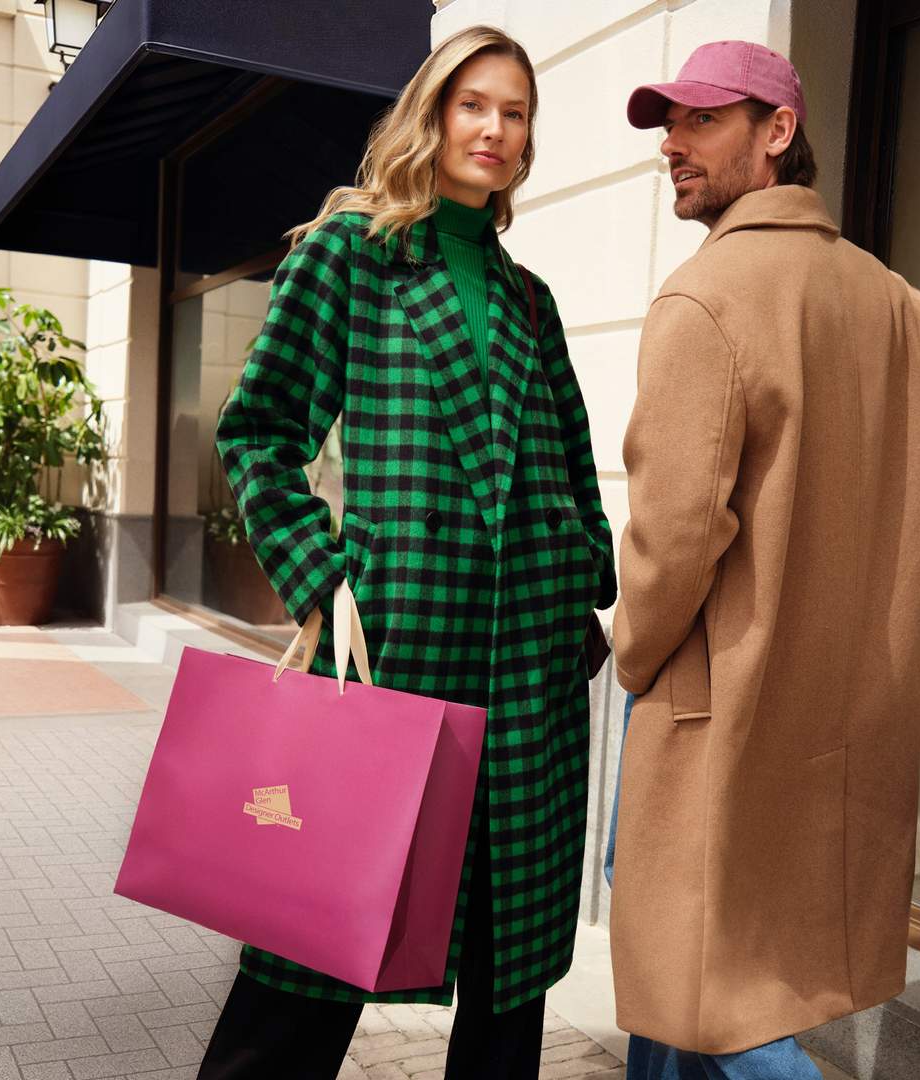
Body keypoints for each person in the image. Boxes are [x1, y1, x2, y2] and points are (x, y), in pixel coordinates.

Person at [203, 25, 615, 1080]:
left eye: (514, 112)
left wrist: (582, 584)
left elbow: (575, 468)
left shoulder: (530, 301)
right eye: (473, 104)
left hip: (526, 679)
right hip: (395, 654)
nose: (494, 128)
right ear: (431, 114)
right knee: (313, 951)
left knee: (508, 983)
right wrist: (320, 576)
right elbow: (259, 430)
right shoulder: (352, 252)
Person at [608, 39, 920, 1079]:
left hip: (717, 706)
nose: (674, 145)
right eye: (670, 124)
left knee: (704, 978)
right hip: (847, 713)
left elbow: (675, 535)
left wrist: (633, 655)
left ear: (778, 131)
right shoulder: (903, 307)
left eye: (702, 121)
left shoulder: (705, 299)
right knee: (703, 976)